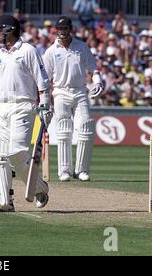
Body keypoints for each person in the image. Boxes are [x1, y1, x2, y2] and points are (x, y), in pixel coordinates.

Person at [0, 15, 52, 213]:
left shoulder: (28, 51)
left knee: (17, 152)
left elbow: (42, 82)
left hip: (23, 105)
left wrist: (45, 105)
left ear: (9, 30)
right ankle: (4, 201)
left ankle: (40, 187)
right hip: (1, 108)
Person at [43, 16, 103, 182]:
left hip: (80, 91)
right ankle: (64, 171)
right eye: (59, 29)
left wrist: (98, 82)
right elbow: (45, 79)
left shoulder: (81, 47)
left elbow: (94, 69)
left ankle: (81, 170)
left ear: (70, 29)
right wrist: (45, 103)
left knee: (85, 128)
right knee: (63, 131)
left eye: (64, 29)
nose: (61, 32)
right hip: (60, 92)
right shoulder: (51, 51)